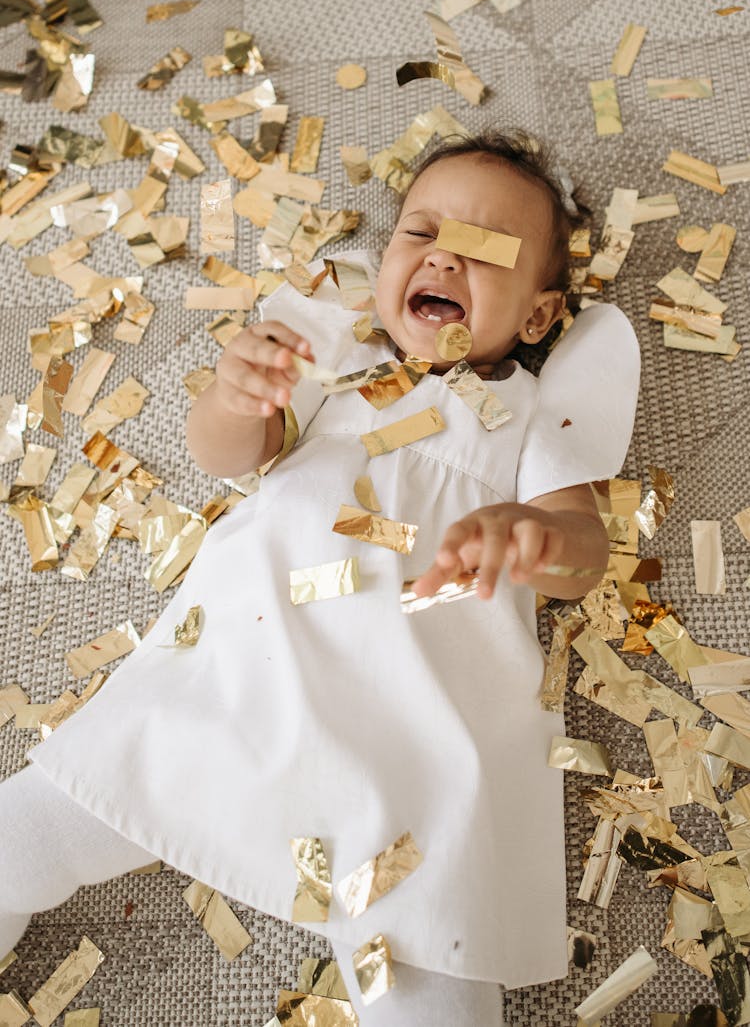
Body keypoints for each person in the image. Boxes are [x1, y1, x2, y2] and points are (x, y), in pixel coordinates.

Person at [0, 131, 640, 1026]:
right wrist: (234, 399)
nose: (446, 255)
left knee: (430, 982)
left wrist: (535, 532)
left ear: (537, 317)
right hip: (234, 687)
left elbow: (584, 550)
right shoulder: (342, 369)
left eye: (488, 249)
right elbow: (230, 457)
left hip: (412, 750)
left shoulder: (528, 418)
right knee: (27, 831)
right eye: (421, 232)